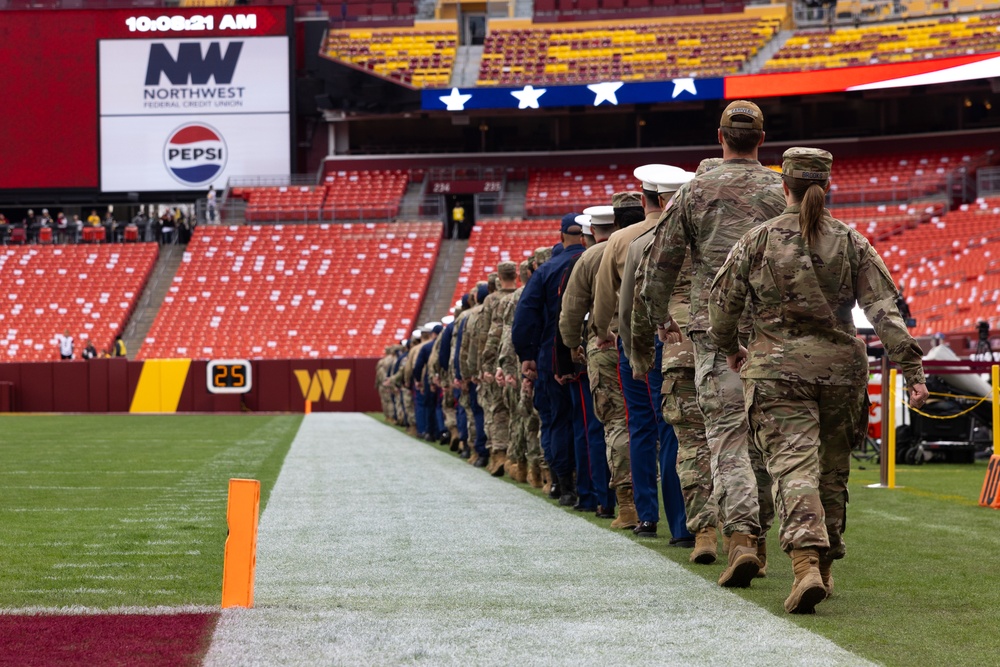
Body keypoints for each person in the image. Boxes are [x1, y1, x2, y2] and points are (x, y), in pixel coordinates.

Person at [709, 146, 929, 614]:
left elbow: (722, 309)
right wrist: (912, 371)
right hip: (840, 372)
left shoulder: (757, 240)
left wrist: (730, 348)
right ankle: (825, 569)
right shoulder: (851, 241)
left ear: (783, 186)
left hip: (776, 372)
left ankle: (806, 563)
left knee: (793, 468)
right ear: (826, 188)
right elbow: (885, 312)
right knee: (832, 472)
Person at [639, 100, 786, 588]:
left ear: (718, 136)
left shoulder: (695, 191)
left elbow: (660, 268)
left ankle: (740, 537)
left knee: (726, 438)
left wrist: (658, 321)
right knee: (766, 440)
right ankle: (760, 541)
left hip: (712, 333)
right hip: (772, 332)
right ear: (761, 139)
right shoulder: (784, 190)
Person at [512, 214, 588, 506]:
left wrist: (526, 356)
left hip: (551, 354)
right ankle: (594, 487)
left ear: (561, 237)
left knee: (558, 421)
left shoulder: (546, 269)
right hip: (593, 349)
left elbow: (525, 317)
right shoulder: (595, 258)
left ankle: (563, 484)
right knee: (591, 422)